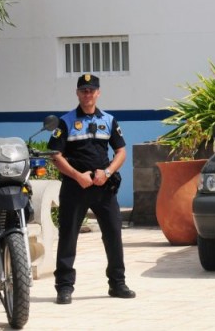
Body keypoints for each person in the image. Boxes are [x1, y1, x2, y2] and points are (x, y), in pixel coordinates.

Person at [48, 74, 136, 304]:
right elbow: (55, 155)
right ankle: (64, 288)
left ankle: (117, 284)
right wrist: (78, 176)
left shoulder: (109, 120)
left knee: (114, 234)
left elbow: (121, 152)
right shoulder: (65, 121)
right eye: (83, 90)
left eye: (91, 90)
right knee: (68, 236)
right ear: (77, 93)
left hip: (103, 187)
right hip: (75, 187)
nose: (88, 94)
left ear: (98, 92)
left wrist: (106, 173)